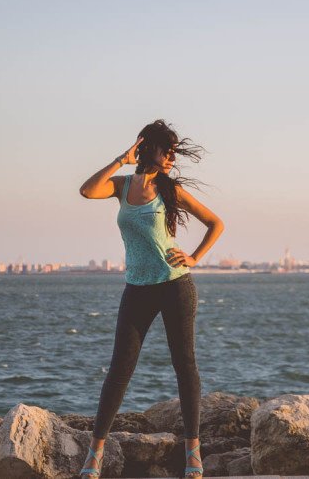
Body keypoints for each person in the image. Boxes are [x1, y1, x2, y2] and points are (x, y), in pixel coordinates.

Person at [77, 119, 224, 478]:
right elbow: (86, 190)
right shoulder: (122, 185)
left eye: (174, 151)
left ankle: (193, 454)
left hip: (176, 285)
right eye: (167, 150)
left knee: (184, 366)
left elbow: (215, 223)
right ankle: (93, 457)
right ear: (149, 149)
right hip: (137, 289)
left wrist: (194, 257)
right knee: (118, 372)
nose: (172, 157)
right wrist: (120, 159)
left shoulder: (169, 189)